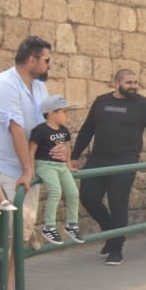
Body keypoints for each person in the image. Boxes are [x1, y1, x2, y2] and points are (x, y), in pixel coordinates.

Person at [0, 36, 57, 290]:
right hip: (8, 168)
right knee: (10, 233)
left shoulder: (38, 87)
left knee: (21, 233)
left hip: (28, 168)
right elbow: (15, 127)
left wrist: (58, 152)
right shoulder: (4, 84)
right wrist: (27, 169)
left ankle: (8, 289)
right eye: (46, 59)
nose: (49, 64)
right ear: (32, 60)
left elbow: (43, 126)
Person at [71, 68, 146, 266]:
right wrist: (74, 155)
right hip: (98, 158)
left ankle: (116, 249)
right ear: (116, 83)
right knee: (88, 197)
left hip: (125, 160)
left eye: (136, 83)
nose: (133, 87)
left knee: (117, 202)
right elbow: (88, 129)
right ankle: (110, 231)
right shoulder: (101, 101)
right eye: (129, 83)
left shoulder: (142, 104)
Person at [30, 95, 84, 245]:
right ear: (52, 113)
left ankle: (72, 225)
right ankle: (49, 227)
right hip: (46, 165)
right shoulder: (40, 130)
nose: (66, 115)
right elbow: (31, 150)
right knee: (55, 191)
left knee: (73, 193)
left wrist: (68, 165)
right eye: (64, 111)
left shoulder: (64, 130)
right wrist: (30, 168)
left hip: (61, 167)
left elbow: (66, 147)